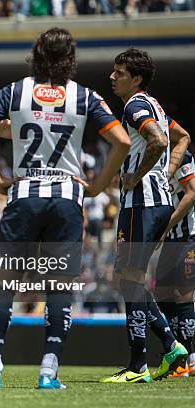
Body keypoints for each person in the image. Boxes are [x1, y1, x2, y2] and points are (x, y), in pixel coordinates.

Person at [0, 27, 131, 389]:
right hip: (67, 197)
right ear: (71, 57)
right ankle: (48, 372)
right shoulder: (85, 96)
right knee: (59, 286)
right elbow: (122, 141)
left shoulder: (13, 91)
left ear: (36, 54)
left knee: (6, 283)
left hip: (24, 194)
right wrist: (99, 185)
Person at [100, 48, 191, 384]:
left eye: (119, 72)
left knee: (129, 277)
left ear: (136, 79)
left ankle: (141, 364)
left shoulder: (135, 105)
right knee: (127, 278)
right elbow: (182, 138)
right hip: (155, 201)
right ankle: (169, 345)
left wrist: (136, 177)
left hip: (142, 202)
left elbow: (158, 140)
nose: (112, 76)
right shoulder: (157, 106)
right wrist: (167, 172)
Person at [156, 148, 195, 378]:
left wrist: (166, 225)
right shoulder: (153, 159)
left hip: (188, 238)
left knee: (183, 295)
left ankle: (188, 359)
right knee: (162, 295)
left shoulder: (184, 157)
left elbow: (192, 193)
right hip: (170, 241)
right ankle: (177, 354)